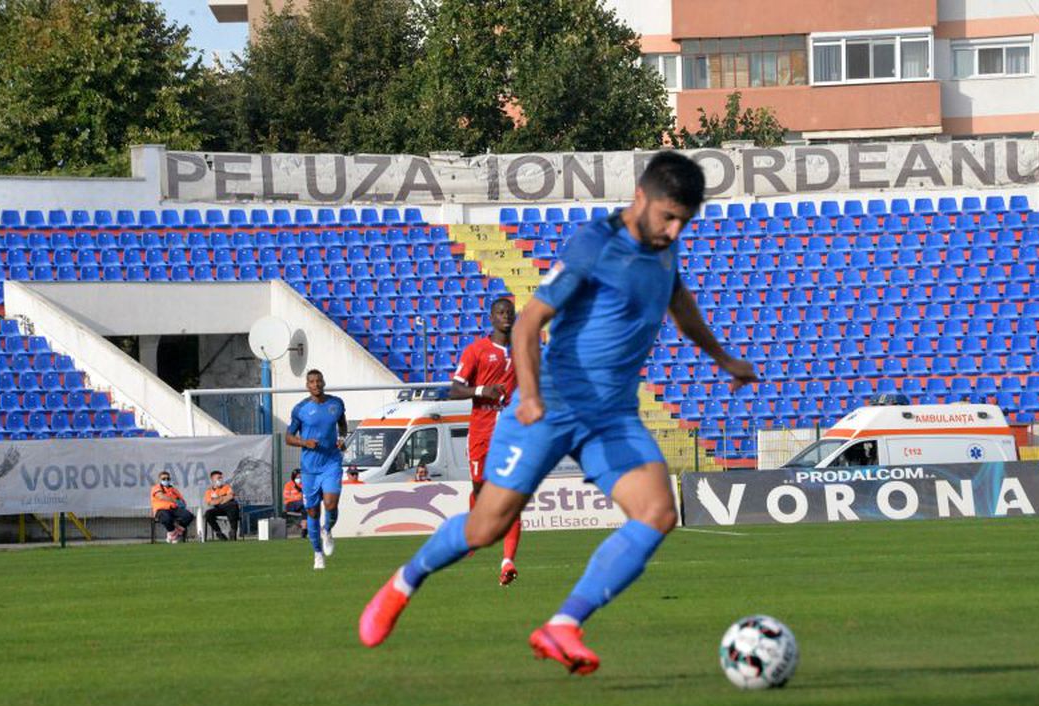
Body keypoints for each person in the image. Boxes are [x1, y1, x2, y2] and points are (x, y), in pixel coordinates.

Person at [359, 151, 757, 675]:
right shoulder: (595, 246)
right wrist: (529, 396)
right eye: (668, 216)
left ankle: (564, 624)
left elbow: (679, 304)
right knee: (485, 528)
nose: (676, 228)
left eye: (686, 219)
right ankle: (403, 582)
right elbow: (528, 325)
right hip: (550, 405)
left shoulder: (665, 248)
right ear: (641, 198)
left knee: (658, 513)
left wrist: (723, 356)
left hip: (611, 416)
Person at [448, 296, 522, 585]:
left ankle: (507, 562)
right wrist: (481, 390)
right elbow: (455, 390)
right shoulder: (476, 350)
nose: (505, 316)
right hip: (481, 432)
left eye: (509, 312)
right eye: (500, 313)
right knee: (480, 490)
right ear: (491, 318)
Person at [285, 369, 348, 570]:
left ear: (323, 382)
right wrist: (304, 442)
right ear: (307, 385)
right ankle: (317, 553)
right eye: (311, 381)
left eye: (318, 381)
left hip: (331, 462)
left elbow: (342, 425)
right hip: (310, 467)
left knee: (331, 503)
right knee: (312, 511)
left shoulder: (336, 404)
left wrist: (342, 439)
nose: (316, 384)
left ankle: (327, 530)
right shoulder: (300, 409)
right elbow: (288, 437)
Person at [151, 470, 194, 545]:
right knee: (167, 518)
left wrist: (181, 503)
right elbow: (161, 496)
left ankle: (175, 533)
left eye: (168, 479)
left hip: (174, 509)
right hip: (161, 509)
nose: (166, 480)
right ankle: (173, 534)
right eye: (163, 479)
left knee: (188, 516)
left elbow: (182, 500)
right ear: (159, 480)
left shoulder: (173, 489)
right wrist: (175, 500)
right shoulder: (156, 487)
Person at [203, 469, 241, 541]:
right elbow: (210, 502)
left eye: (221, 478)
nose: (221, 479)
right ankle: (219, 533)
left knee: (233, 505)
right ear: (213, 479)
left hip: (230, 507)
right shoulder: (209, 491)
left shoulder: (226, 487)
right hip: (219, 509)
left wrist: (218, 500)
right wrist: (223, 498)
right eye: (219, 478)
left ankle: (233, 532)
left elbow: (231, 496)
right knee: (208, 514)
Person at [282, 469, 306, 536]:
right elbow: (286, 496)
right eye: (298, 477)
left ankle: (304, 530)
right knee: (303, 503)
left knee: (305, 510)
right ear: (293, 477)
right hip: (290, 504)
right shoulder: (288, 485)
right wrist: (297, 498)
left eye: (300, 477)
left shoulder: (304, 485)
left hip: (301, 505)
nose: (299, 479)